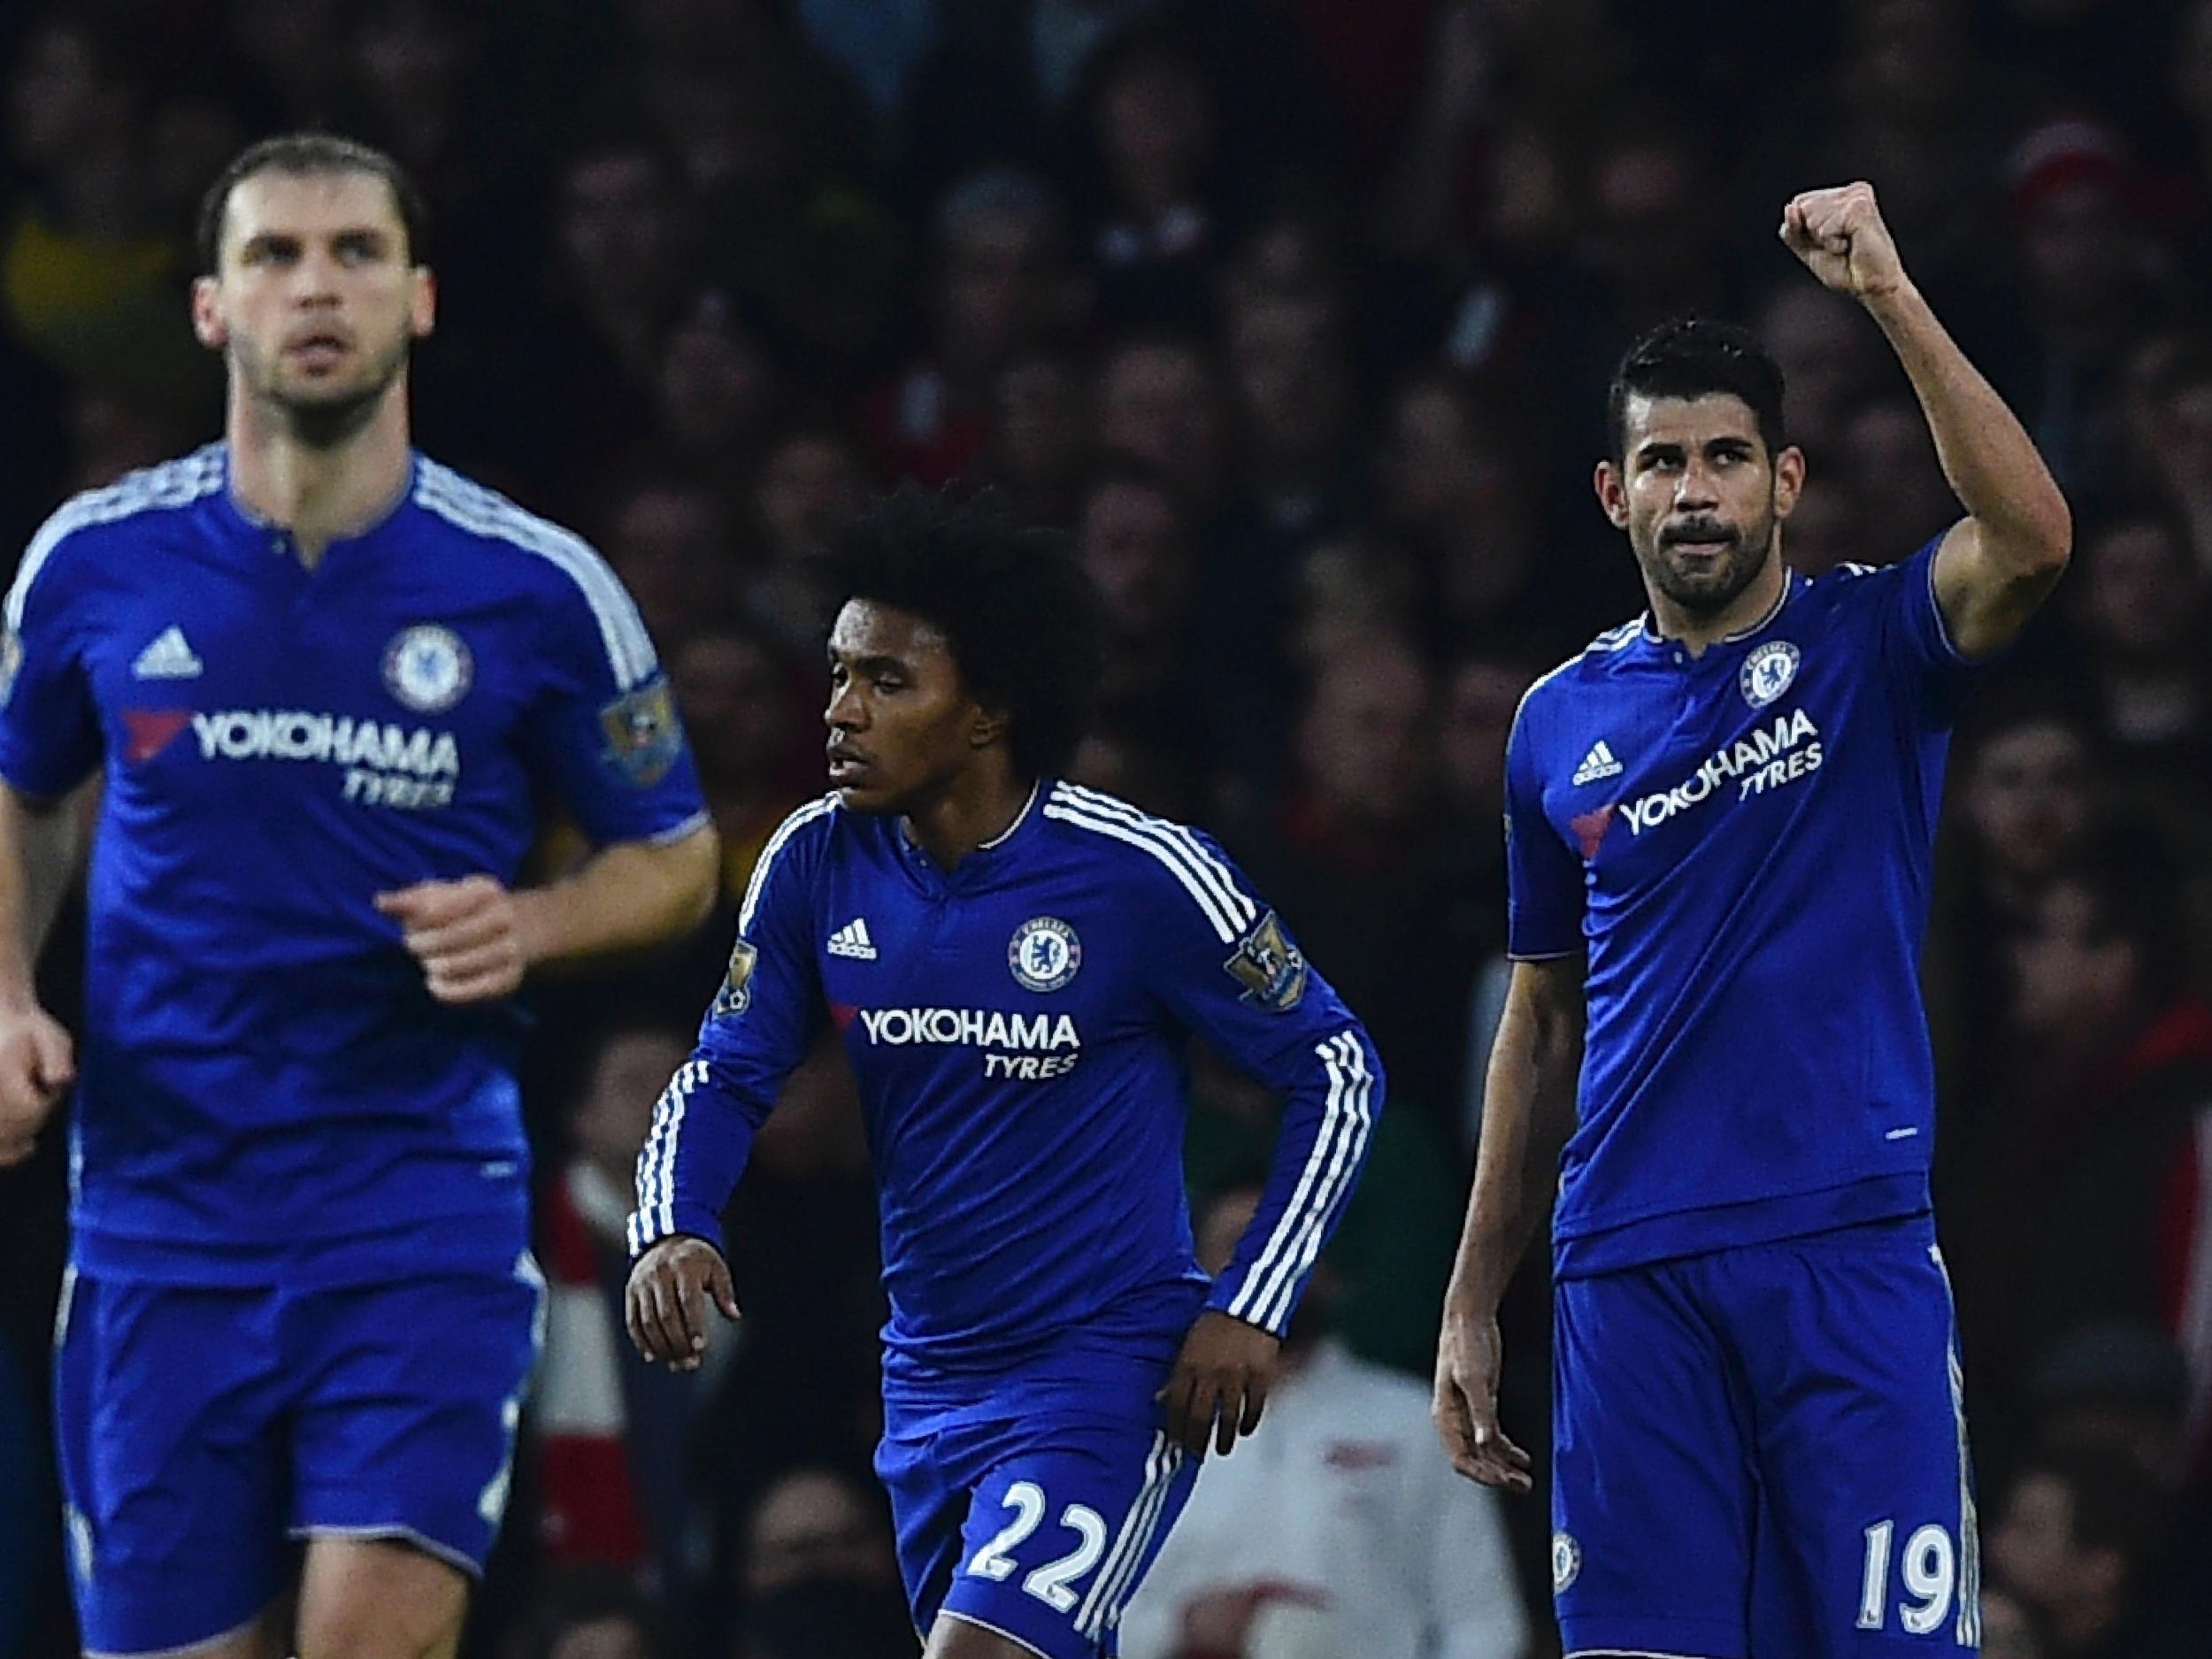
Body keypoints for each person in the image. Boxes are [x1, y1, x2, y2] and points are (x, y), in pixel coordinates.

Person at [0, 134, 721, 1659]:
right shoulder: (93, 563)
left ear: (422, 299)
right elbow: (24, 789)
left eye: (355, 254)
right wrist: (3, 994)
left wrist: (531, 922)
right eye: (274, 256)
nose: (315, 288)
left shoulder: (535, 587)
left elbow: (676, 854)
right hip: (156, 1226)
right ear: (210, 309)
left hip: (415, 1221)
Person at [1432, 180, 2073, 1658]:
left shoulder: (1872, 647)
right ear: (1615, 494)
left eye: (1728, 457)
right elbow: (1543, 1017)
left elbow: (2032, 539)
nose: (1697, 491)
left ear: (1786, 480)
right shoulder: (1556, 726)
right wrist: (1476, 1300)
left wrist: (1888, 294)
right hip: (1624, 1270)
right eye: (1663, 461)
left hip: (1843, 1249)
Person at [626, 486, 1385, 1659]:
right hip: (926, 1385)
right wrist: (675, 1219)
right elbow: (728, 1069)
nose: (839, 710)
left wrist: (1251, 1299)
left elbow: (1334, 1064)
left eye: (885, 681)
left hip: (1103, 1379)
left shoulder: (1140, 874)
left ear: (986, 710)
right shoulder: (814, 859)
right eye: (836, 673)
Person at [1118, 1186, 1527, 1659]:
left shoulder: (1413, 1421)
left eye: (1282, 1241)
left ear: (1329, 1268)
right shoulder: (1144, 1433)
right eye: (1237, 1244)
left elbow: (1484, 1625)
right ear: (1197, 1272)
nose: (1261, 1266)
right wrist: (1183, 1626)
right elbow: (1075, 1622)